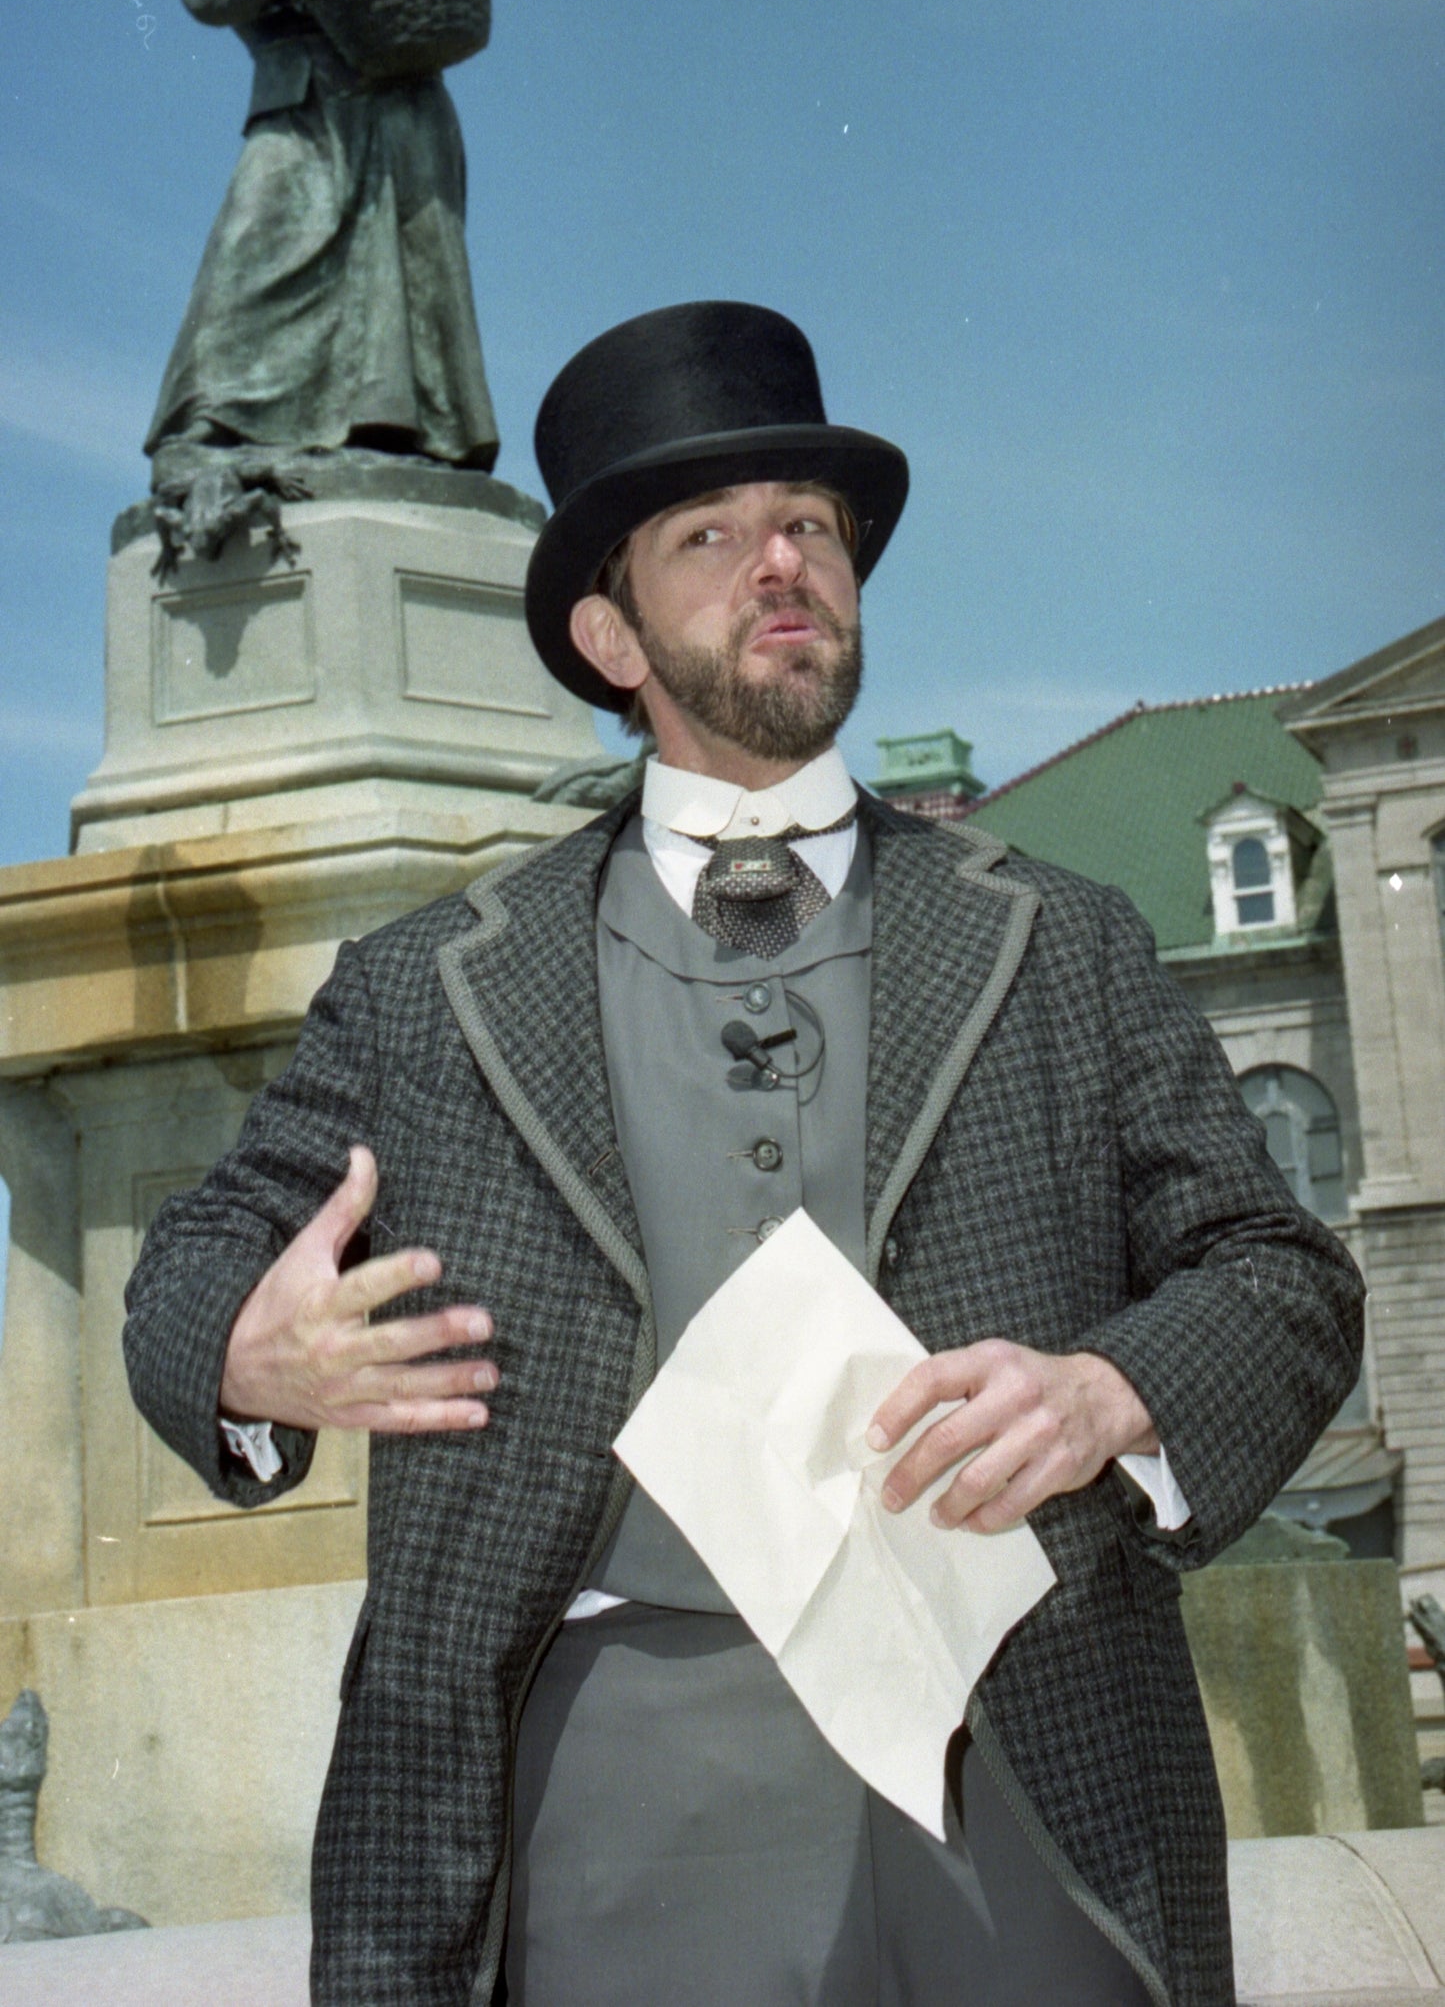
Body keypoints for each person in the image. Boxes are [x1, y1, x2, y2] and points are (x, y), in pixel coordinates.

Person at [124, 300, 1364, 2007]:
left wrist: (1108, 1393)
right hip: (604, 1810)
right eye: (709, 537)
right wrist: (250, 1356)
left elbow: (1279, 1272)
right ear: (608, 633)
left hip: (1026, 1773)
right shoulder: (425, 988)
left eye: (811, 527)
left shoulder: (1063, 942)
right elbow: (198, 1262)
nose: (781, 565)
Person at [144, 0, 497, 466]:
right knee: (247, 243)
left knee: (391, 252)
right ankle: (210, 414)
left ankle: (390, 421)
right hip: (289, 97)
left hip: (381, 85)